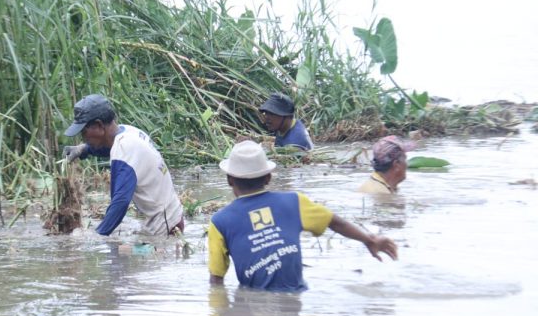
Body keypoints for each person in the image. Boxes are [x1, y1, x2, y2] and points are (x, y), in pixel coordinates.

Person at [208, 140, 397, 291]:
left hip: (253, 305)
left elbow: (216, 281)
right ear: (268, 177)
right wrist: (368, 240)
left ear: (229, 180)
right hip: (296, 295)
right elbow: (335, 222)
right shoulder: (294, 202)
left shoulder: (219, 222)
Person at [62, 94, 184, 236]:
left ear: (99, 125)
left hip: (165, 227)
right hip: (172, 216)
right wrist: (83, 149)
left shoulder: (124, 149)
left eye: (84, 132)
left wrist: (97, 237)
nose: (83, 137)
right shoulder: (128, 132)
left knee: (118, 255)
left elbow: (120, 203)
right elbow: (107, 148)